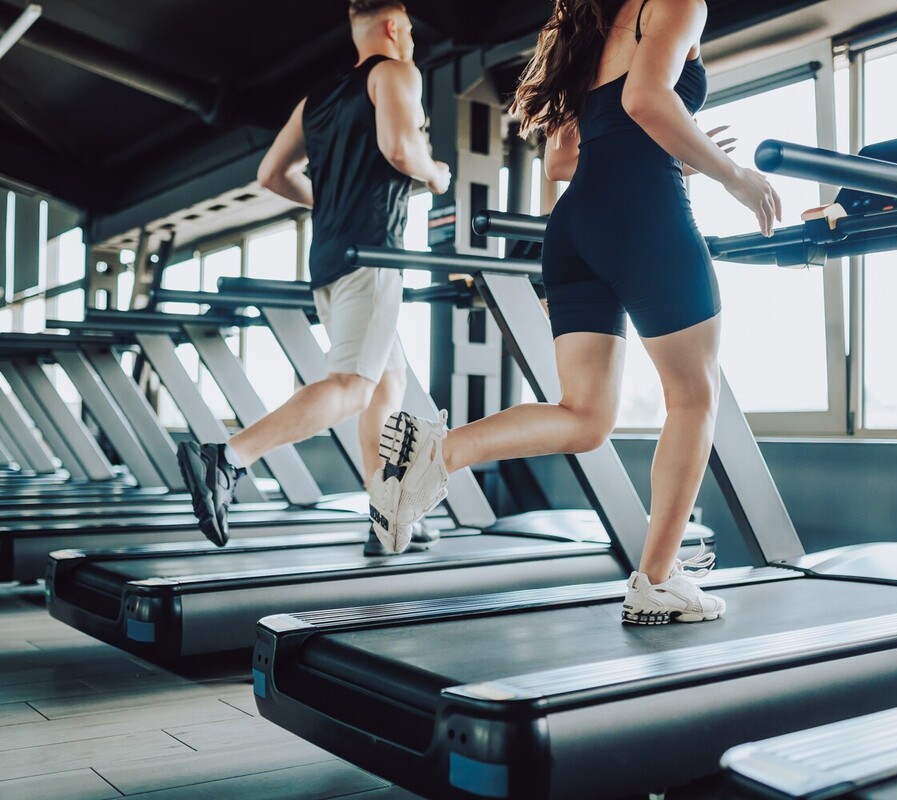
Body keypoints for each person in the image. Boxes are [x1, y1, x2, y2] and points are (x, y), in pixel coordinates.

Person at [367, 0, 781, 624]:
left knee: (585, 417)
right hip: (641, 215)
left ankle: (439, 452)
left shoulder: (591, 27)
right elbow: (645, 100)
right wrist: (730, 175)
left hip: (575, 227)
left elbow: (563, 162)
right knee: (694, 398)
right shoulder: (677, 3)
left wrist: (674, 150)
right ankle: (657, 581)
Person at [177, 0, 451, 556]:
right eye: (411, 32)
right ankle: (227, 458)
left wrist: (327, 203)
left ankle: (385, 514)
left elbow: (271, 174)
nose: (413, 42)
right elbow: (401, 150)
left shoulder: (316, 100)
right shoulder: (397, 72)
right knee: (352, 386)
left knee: (385, 386)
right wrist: (436, 173)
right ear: (394, 26)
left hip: (327, 260)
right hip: (374, 255)